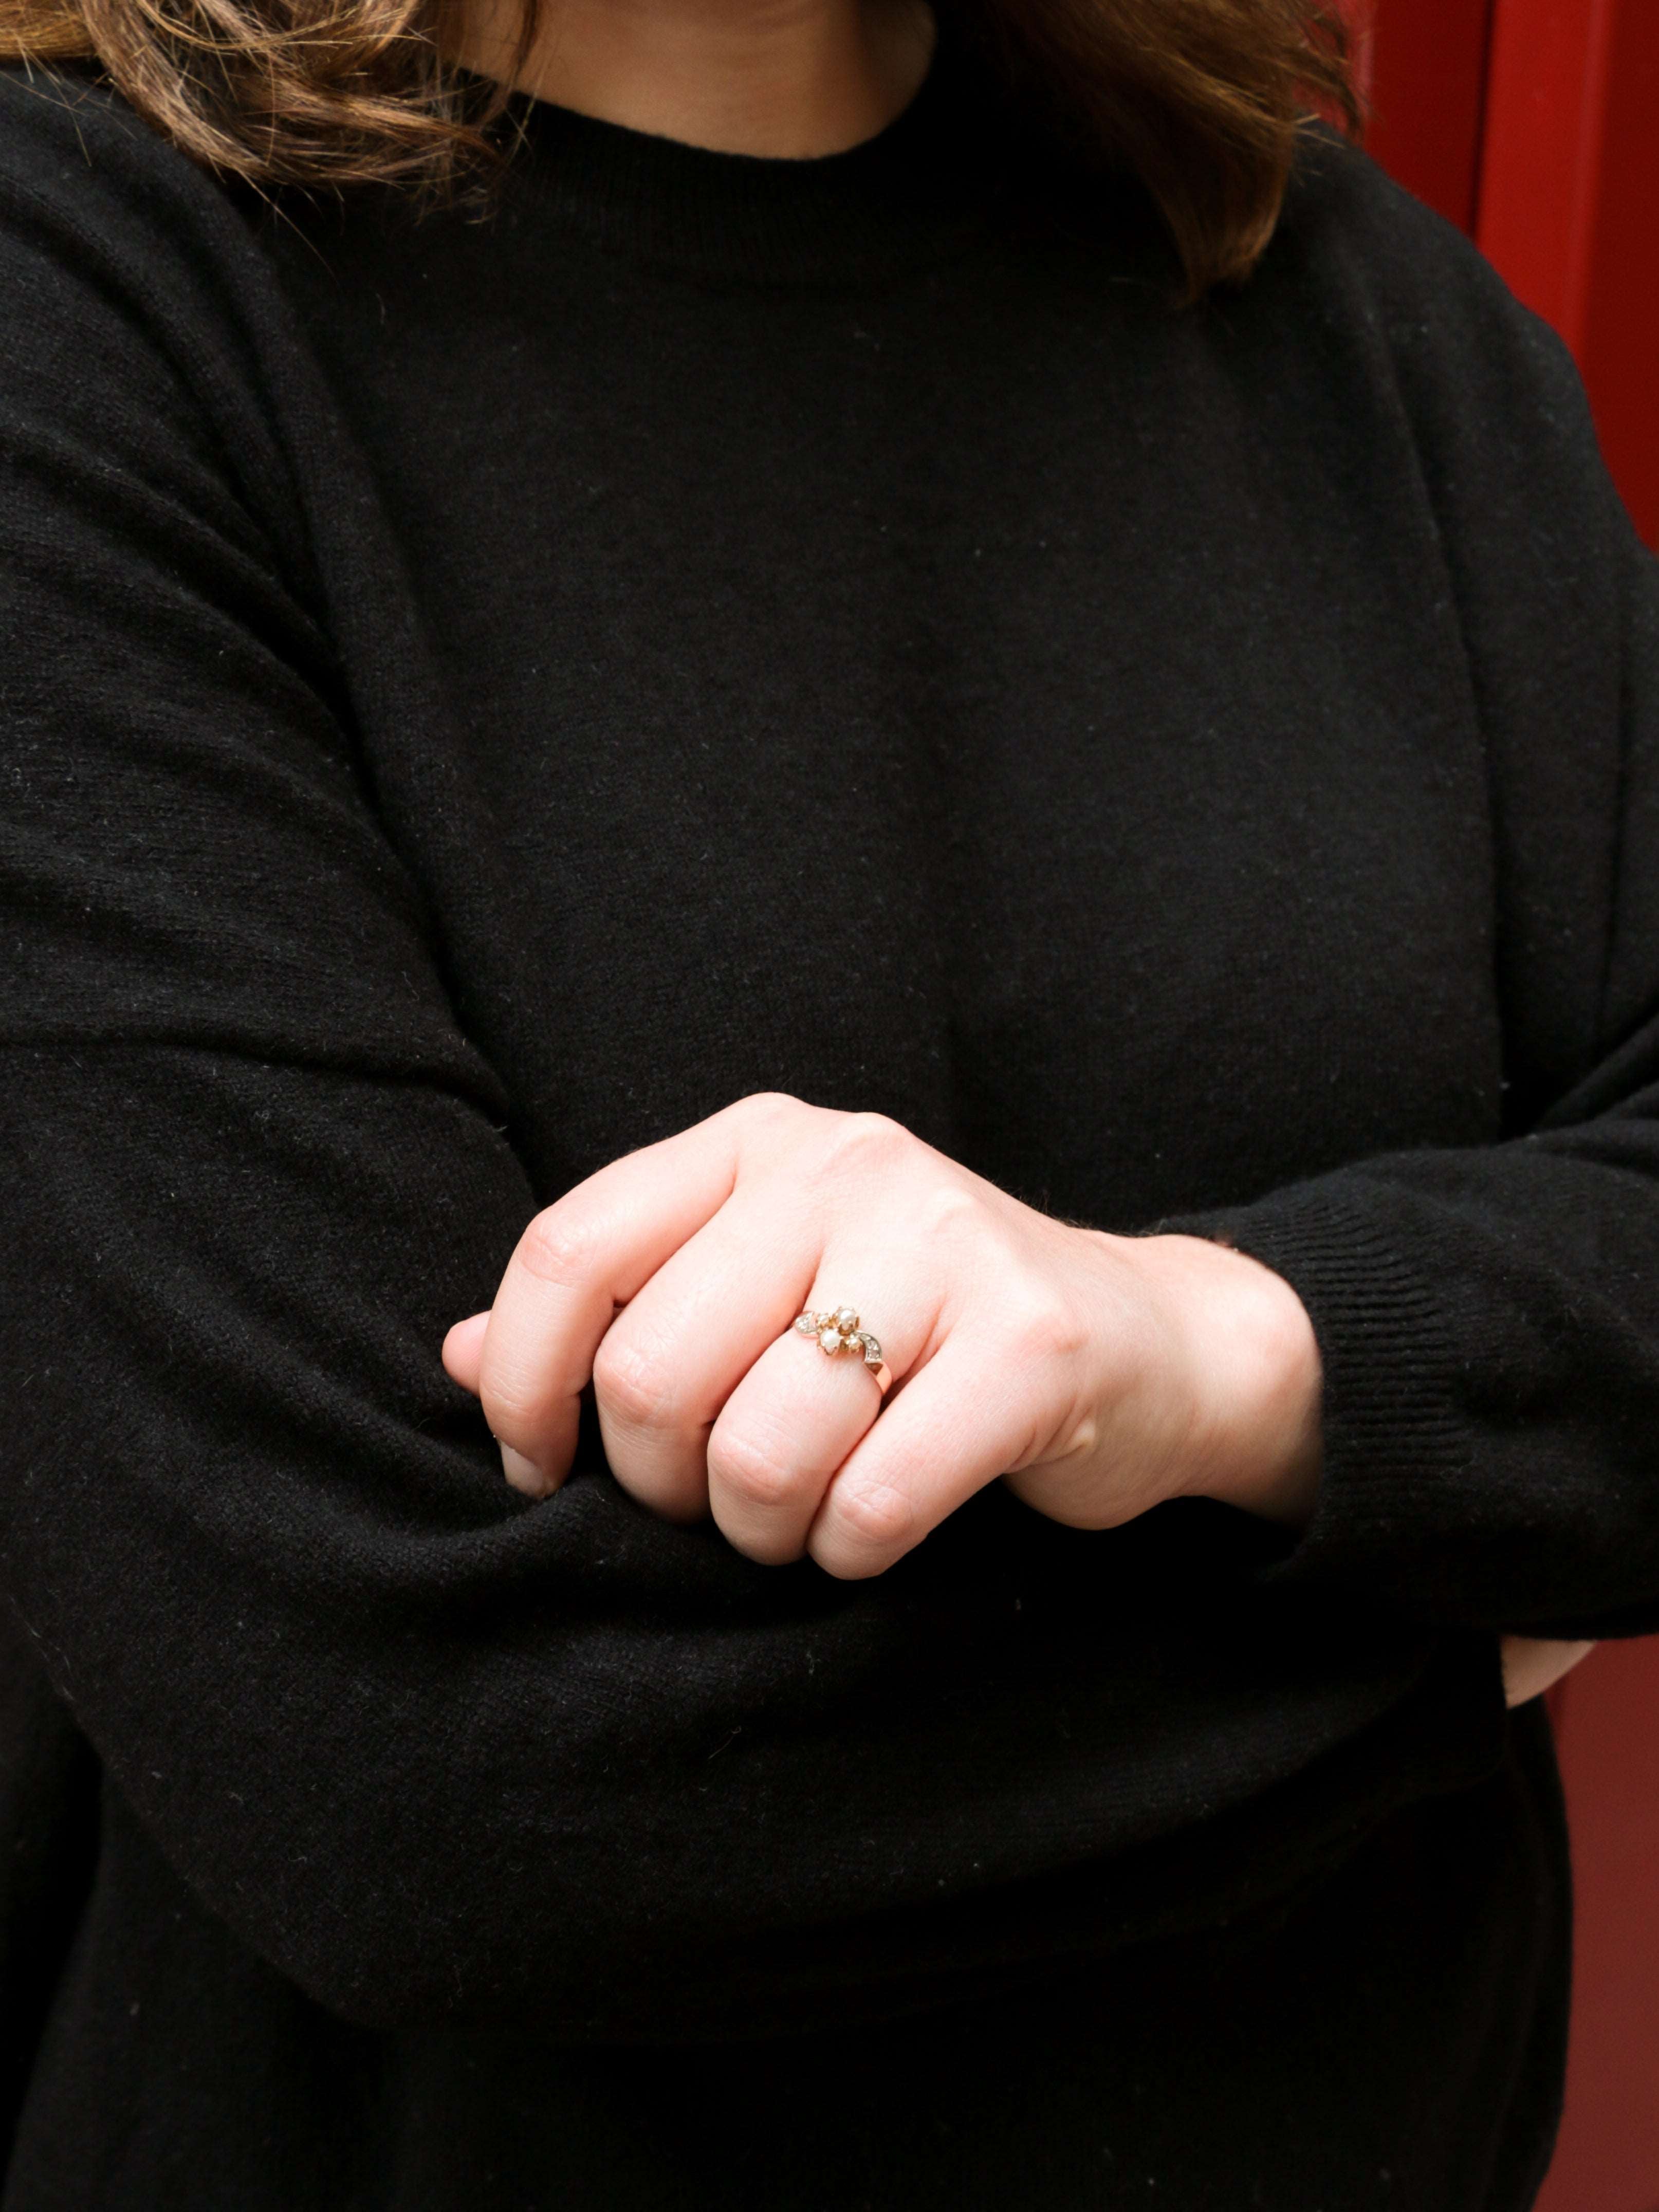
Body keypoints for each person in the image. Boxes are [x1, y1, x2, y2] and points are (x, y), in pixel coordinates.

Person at [0, 0, 1652, 2197]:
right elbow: (425, 1770)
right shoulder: (82, 311)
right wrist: (1465, 1604)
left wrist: (1226, 1350)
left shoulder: (1328, 290)